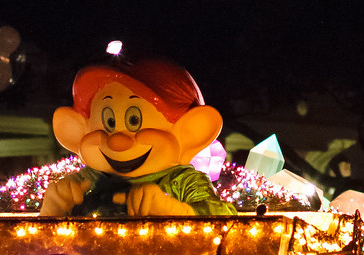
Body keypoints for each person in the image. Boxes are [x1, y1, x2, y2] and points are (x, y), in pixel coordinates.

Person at [40, 57, 236, 217]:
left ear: (190, 131)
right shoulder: (85, 181)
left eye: (134, 121)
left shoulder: (183, 181)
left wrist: (175, 211)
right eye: (109, 123)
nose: (117, 141)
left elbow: (226, 218)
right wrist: (53, 210)